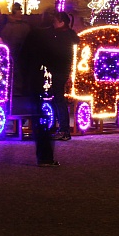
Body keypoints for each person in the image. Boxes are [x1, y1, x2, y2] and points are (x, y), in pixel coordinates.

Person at [20, 19, 58, 166]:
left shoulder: (31, 38)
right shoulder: (47, 39)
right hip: (42, 82)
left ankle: (43, 156)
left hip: (32, 83)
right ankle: (45, 157)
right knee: (45, 121)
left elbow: (23, 59)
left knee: (39, 119)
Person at [45, 11, 79, 142]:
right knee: (58, 100)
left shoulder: (62, 37)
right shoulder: (67, 35)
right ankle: (62, 128)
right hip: (61, 70)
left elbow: (57, 54)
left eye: (55, 21)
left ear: (62, 22)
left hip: (59, 71)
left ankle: (64, 130)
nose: (53, 23)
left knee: (59, 100)